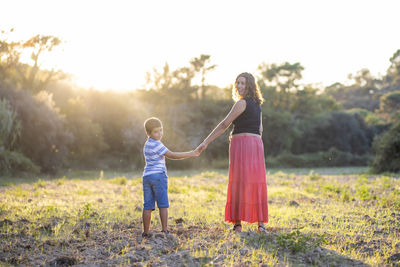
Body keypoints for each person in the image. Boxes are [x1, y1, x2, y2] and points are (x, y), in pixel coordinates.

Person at [197, 72, 268, 233]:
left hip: (242, 144)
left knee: (239, 181)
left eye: (243, 83)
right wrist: (255, 143)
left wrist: (205, 142)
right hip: (256, 144)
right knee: (256, 181)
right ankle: (261, 224)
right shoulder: (258, 106)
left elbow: (224, 125)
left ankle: (237, 224)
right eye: (238, 83)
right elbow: (260, 129)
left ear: (250, 85)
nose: (239, 86)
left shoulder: (241, 103)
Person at [142, 117, 200, 237]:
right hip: (158, 176)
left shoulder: (147, 144)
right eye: (156, 131)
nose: (159, 134)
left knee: (147, 205)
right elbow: (172, 155)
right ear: (148, 133)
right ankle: (164, 230)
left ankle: (146, 232)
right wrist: (192, 153)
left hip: (147, 177)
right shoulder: (157, 144)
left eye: (161, 130)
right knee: (163, 204)